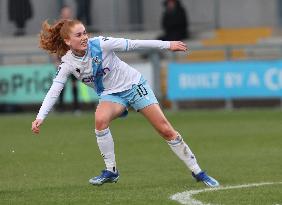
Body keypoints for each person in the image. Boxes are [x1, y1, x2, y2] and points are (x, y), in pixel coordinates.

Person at [31, 19, 219, 187]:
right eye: (79, 35)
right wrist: (40, 117)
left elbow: (135, 44)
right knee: (100, 119)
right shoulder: (67, 63)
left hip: (134, 86)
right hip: (111, 95)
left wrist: (167, 45)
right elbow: (55, 89)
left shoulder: (102, 44)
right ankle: (111, 171)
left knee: (165, 130)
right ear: (67, 41)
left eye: (85, 32)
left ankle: (198, 172)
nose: (84, 37)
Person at [53, 5, 80, 112]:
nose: (66, 15)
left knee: (74, 84)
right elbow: (55, 45)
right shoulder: (58, 28)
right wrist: (55, 60)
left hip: (74, 61)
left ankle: (76, 107)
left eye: (68, 13)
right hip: (62, 61)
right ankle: (61, 107)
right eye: (64, 13)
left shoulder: (75, 26)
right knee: (60, 84)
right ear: (62, 14)